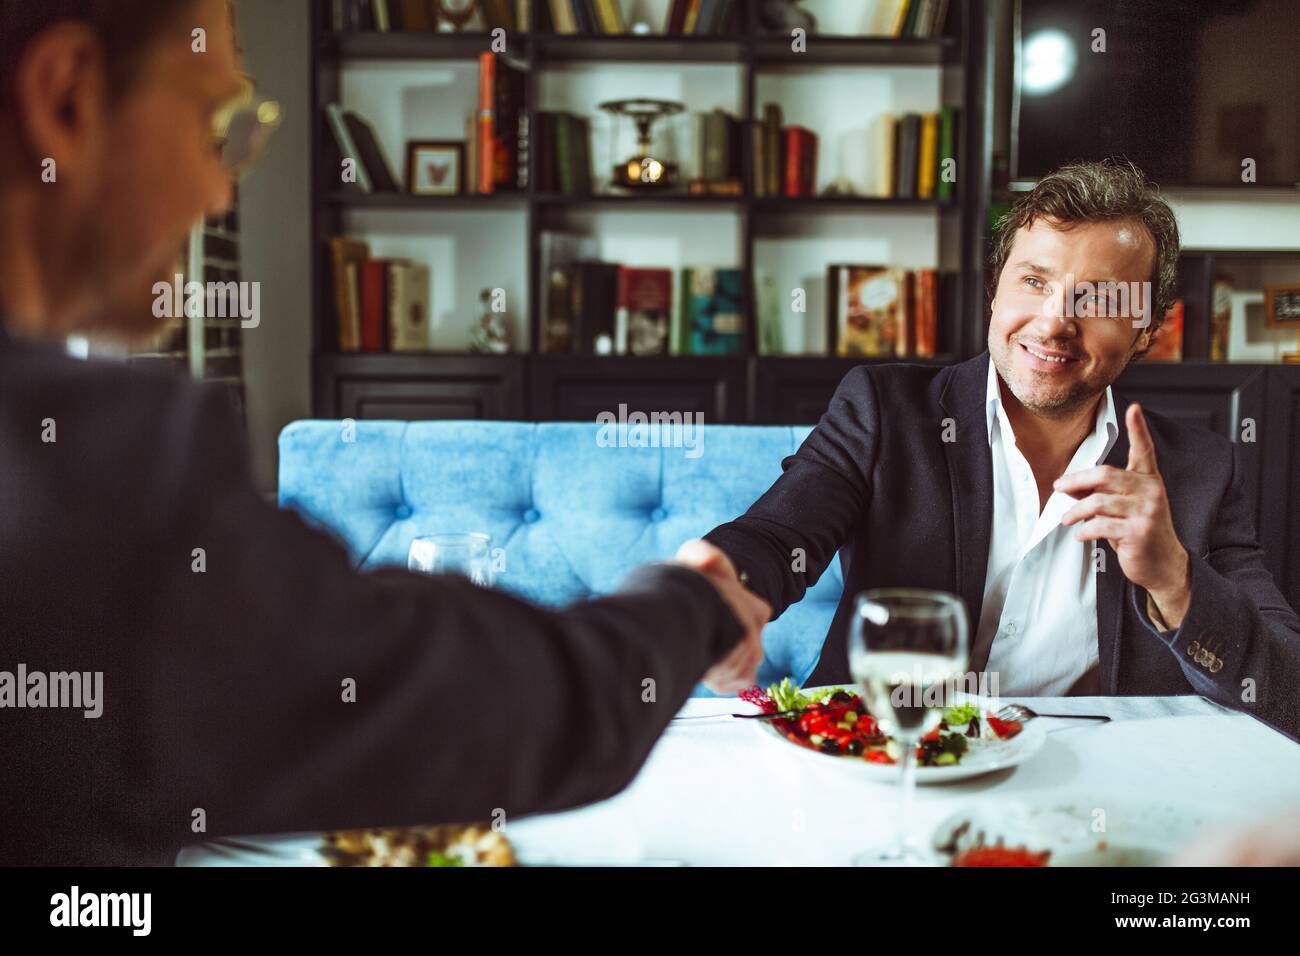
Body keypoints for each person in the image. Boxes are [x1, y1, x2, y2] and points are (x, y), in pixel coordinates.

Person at [0, 0, 770, 865]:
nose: (221, 187)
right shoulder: (100, 469)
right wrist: (689, 604)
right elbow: (484, 705)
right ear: (65, 99)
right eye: (215, 122)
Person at [704, 159, 1300, 737]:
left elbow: (1288, 687)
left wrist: (1175, 579)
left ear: (1146, 327)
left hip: (1094, 788)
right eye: (1035, 281)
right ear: (996, 290)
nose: (1053, 322)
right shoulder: (885, 410)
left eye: (1101, 299)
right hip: (888, 753)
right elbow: (778, 539)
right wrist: (715, 592)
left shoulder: (1202, 469)